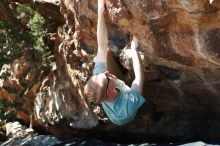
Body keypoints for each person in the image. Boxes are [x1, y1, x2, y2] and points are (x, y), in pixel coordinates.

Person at [84, 0, 146, 126]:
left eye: (101, 74)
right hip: (122, 118)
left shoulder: (99, 81)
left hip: (110, 94)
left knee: (102, 54)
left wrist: (101, 12)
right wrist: (134, 49)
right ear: (109, 92)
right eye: (106, 77)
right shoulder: (128, 107)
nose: (106, 73)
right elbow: (139, 78)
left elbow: (101, 45)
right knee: (142, 101)